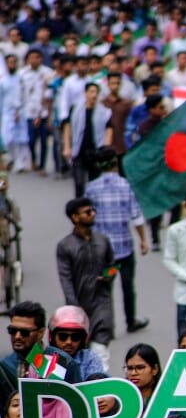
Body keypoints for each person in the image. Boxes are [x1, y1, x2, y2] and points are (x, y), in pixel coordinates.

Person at [82, 149, 149, 334]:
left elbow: (87, 219)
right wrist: (143, 240)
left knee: (105, 287)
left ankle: (107, 326)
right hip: (124, 249)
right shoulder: (125, 185)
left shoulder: (91, 188)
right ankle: (130, 321)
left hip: (103, 252)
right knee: (128, 285)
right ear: (115, 163)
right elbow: (135, 215)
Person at [54, 198, 115, 354]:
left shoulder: (103, 241)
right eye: (87, 212)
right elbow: (65, 278)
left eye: (93, 211)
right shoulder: (65, 246)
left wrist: (109, 275)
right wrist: (73, 307)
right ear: (75, 217)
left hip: (102, 302)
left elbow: (113, 266)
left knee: (101, 347)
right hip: (80, 304)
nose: (92, 214)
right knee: (81, 349)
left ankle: (100, 376)